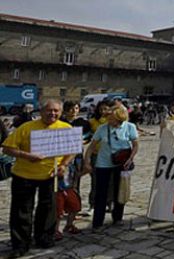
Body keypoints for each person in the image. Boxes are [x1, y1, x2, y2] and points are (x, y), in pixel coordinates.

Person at [2, 100, 75, 258]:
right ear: (41, 112)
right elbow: (7, 148)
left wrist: (63, 165)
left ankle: (44, 238)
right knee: (22, 210)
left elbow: (73, 149)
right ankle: (20, 244)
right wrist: (26, 155)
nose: (52, 114)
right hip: (24, 175)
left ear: (61, 113)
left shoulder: (66, 128)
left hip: (50, 176)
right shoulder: (26, 127)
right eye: (49, 110)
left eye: (56, 111)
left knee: (48, 209)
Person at [83, 106, 138, 231]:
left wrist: (131, 158)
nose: (108, 120)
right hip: (103, 164)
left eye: (111, 118)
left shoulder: (130, 127)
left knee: (120, 191)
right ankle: (97, 222)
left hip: (122, 164)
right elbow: (91, 147)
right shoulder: (102, 129)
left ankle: (117, 218)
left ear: (119, 118)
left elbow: (135, 145)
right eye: (108, 117)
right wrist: (87, 162)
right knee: (101, 193)